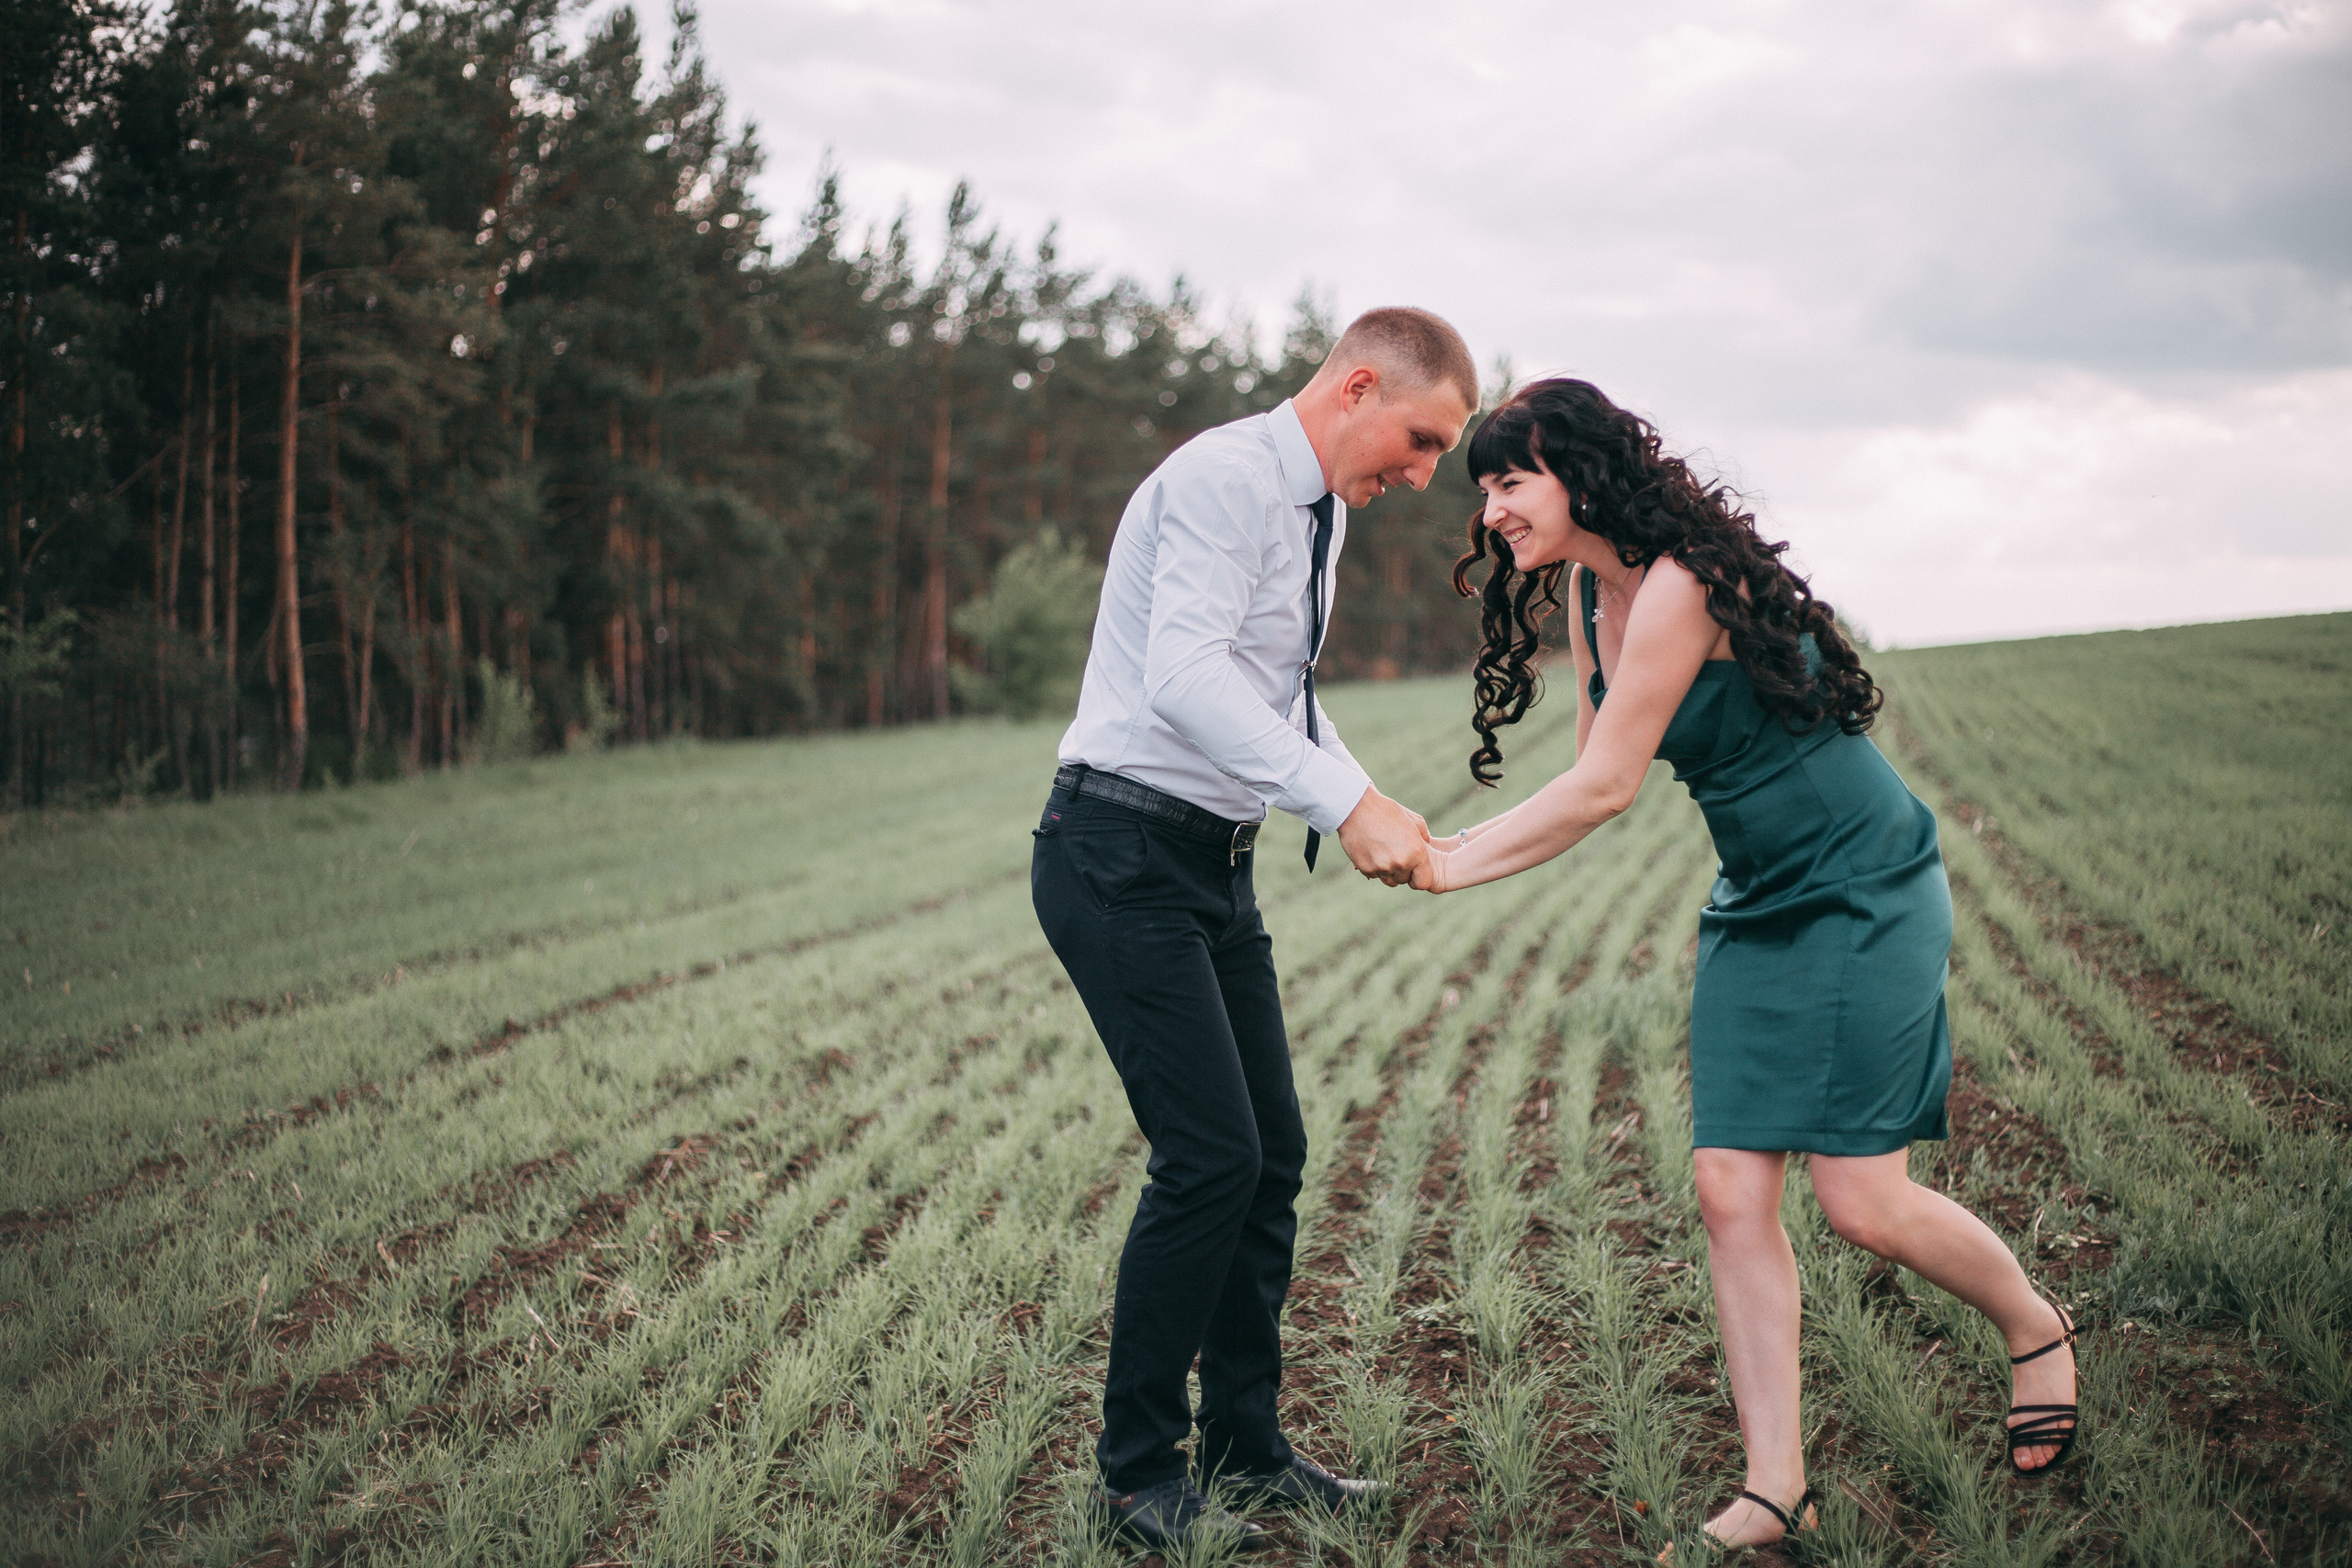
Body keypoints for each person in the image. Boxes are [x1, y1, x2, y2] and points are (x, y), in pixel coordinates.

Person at [1411, 379, 2083, 1552]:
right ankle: (1778, 1487)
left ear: (1581, 473)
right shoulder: (1590, 592)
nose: (1493, 512)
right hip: (1759, 898)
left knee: (1861, 1202)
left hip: (1862, 885)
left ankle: (2035, 1327)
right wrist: (1454, 845)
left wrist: (1440, 868)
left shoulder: (1677, 582)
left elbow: (1610, 784)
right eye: (1485, 491)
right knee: (1730, 1190)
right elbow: (1589, 781)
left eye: (1510, 482)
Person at [1032, 308, 1476, 1551]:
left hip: (1210, 866)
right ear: (1357, 383)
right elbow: (1182, 679)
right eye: (1421, 438)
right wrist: (1344, 807)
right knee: (1211, 1155)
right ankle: (1136, 1473)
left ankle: (1245, 1444)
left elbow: (1272, 700)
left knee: (1268, 1151)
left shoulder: (1315, 509)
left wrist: (1372, 796)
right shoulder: (1229, 478)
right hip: (1117, 851)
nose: (1424, 473)